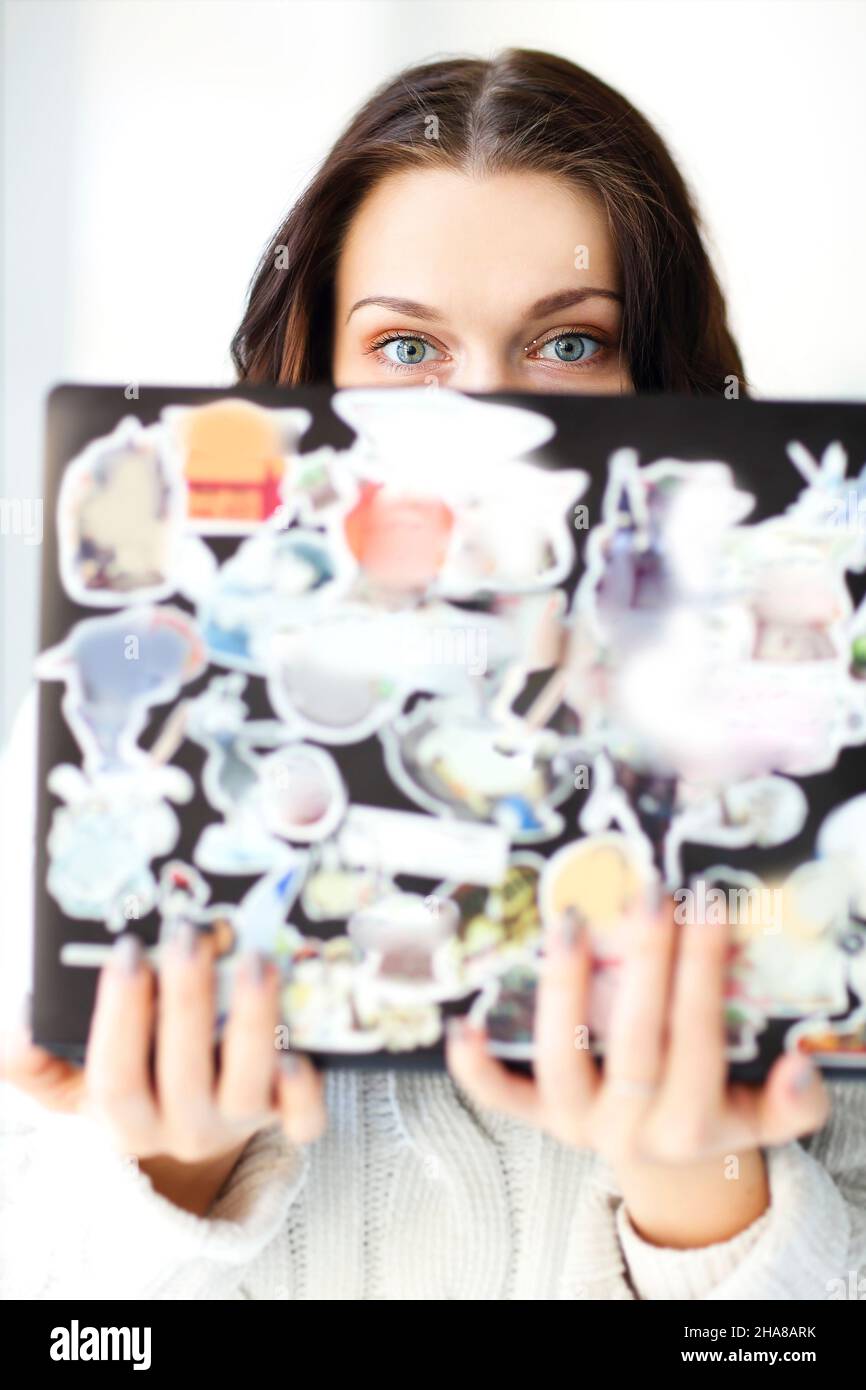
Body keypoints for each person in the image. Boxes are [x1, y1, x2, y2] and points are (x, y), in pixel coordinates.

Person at [1, 48, 863, 1301]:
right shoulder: (110, 777)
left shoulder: (815, 804)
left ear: (667, 387)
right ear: (308, 373)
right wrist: (171, 1179)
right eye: (406, 347)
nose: (483, 423)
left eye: (567, 343)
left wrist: (706, 1208)